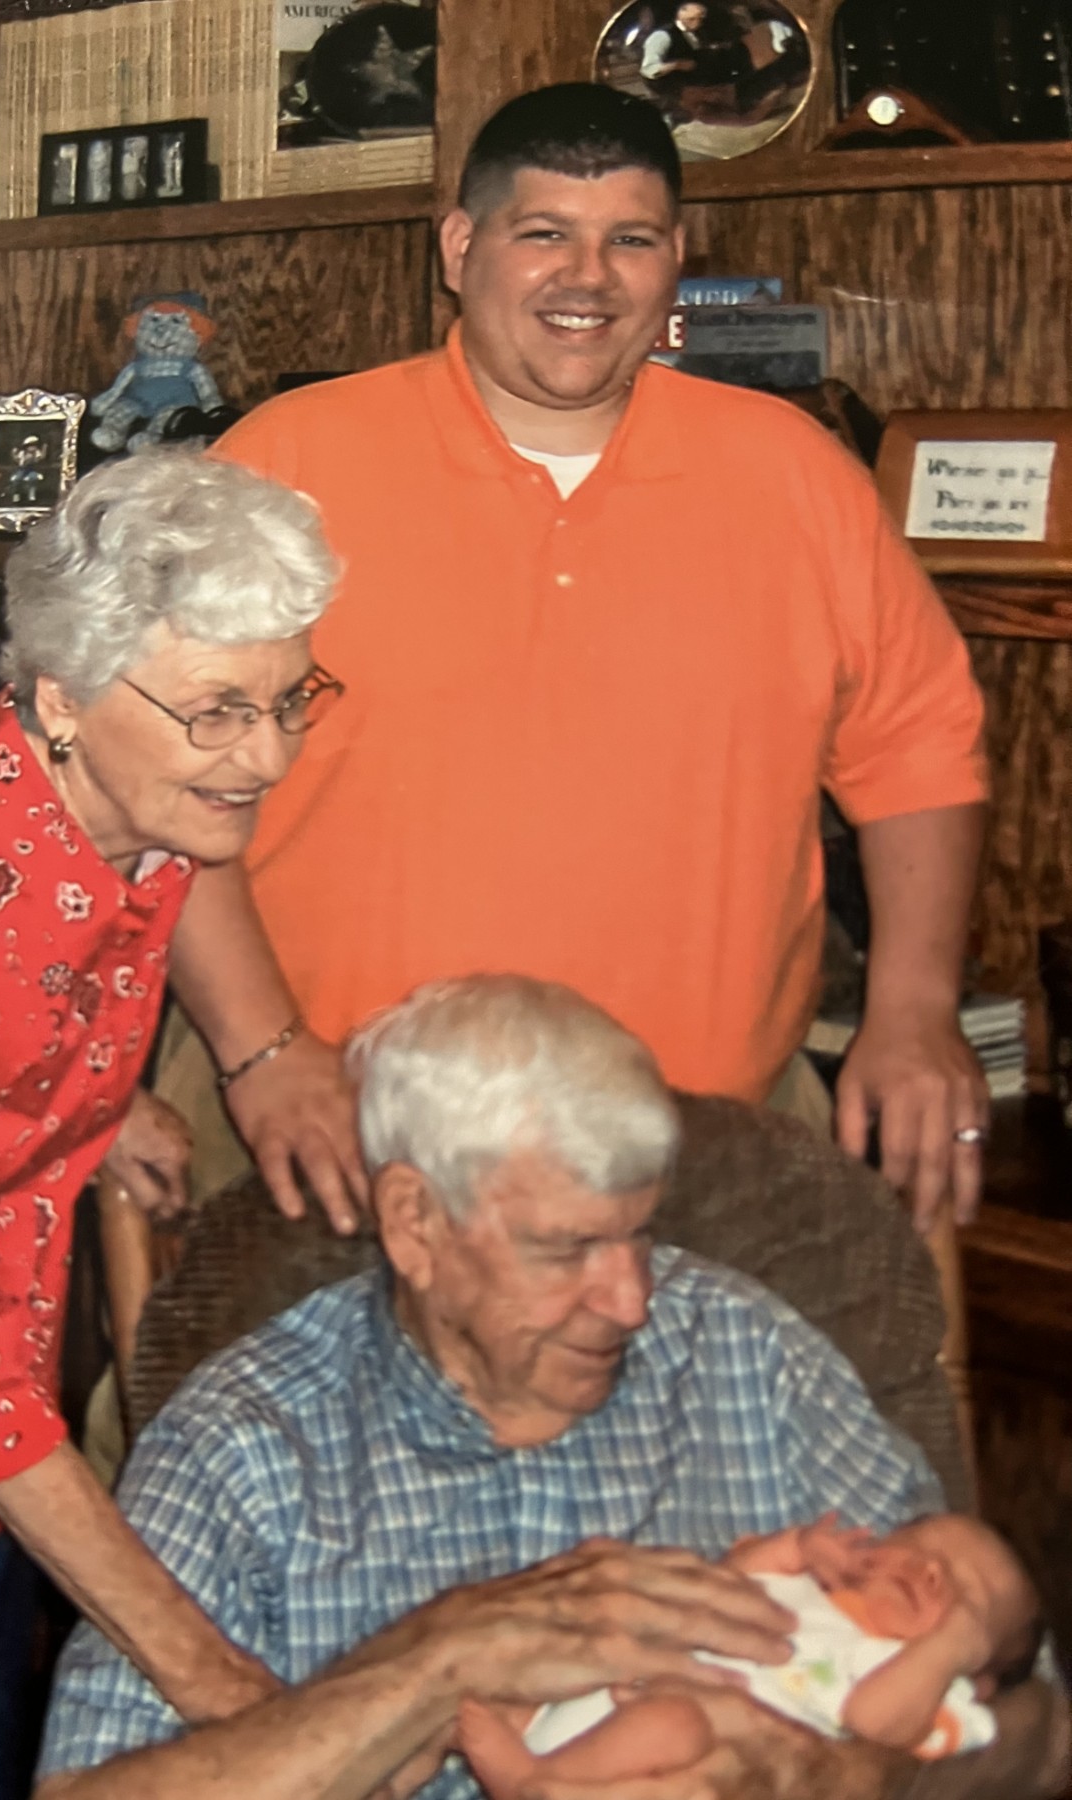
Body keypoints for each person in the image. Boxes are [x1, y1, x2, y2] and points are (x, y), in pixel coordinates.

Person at [176, 81, 990, 1243]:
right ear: (460, 248)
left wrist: (913, 1010)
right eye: (545, 233)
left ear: (678, 260)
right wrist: (261, 1052)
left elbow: (918, 749)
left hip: (701, 1142)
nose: (588, 278)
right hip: (337, 1135)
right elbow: (160, 781)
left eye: (631, 241)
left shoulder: (795, 474)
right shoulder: (284, 466)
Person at [35, 977, 1065, 1800]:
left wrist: (845, 1776)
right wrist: (433, 1664)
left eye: (639, 1234)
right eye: (567, 1249)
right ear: (415, 1223)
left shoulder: (744, 1348)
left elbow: (1040, 1727)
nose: (631, 1300)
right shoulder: (245, 1441)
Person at [0, 448, 347, 1797]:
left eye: (289, 699)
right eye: (218, 711)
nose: (266, 756)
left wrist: (85, 1112)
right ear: (61, 696)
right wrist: (207, 1673)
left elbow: (10, 1003)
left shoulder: (131, 798)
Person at [459, 1512, 1043, 1797]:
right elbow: (727, 1582)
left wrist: (948, 1648)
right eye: (915, 1546)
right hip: (590, 1699)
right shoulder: (807, 1592)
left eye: (965, 1594)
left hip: (665, 1762)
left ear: (977, 1673)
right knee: (507, 1666)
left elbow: (874, 1721)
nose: (930, 1569)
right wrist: (796, 1547)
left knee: (675, 1722)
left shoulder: (932, 1690)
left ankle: (536, 1782)